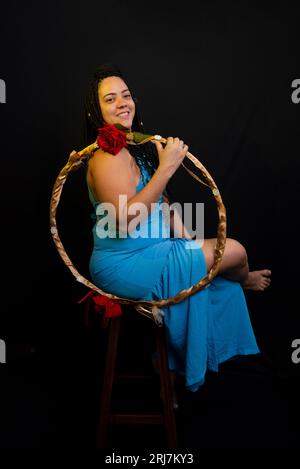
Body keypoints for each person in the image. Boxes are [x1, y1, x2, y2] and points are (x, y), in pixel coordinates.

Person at [83, 63, 271, 402]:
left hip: (157, 250)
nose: (123, 103)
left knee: (218, 260)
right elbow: (126, 221)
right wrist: (167, 167)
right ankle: (240, 281)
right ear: (97, 111)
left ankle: (166, 362)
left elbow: (161, 204)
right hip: (125, 263)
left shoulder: (132, 150)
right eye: (111, 99)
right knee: (237, 255)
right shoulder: (104, 159)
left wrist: (185, 238)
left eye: (126, 95)